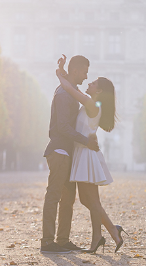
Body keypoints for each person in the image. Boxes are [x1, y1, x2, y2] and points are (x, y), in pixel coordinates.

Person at [55, 55, 127, 254]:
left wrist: (59, 75)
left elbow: (69, 89)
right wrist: (63, 72)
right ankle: (112, 231)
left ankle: (98, 238)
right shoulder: (91, 103)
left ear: (99, 90)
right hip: (84, 153)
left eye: (93, 82)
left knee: (92, 201)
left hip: (85, 155)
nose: (89, 81)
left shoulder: (91, 104)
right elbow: (74, 88)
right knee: (88, 201)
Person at [41, 55, 100, 254]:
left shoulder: (70, 91)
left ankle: (63, 239)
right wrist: (86, 142)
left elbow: (68, 83)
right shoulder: (65, 95)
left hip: (66, 152)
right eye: (84, 72)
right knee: (54, 195)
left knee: (67, 199)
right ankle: (48, 241)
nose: (85, 77)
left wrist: (62, 71)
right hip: (59, 151)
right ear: (76, 71)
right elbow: (63, 127)